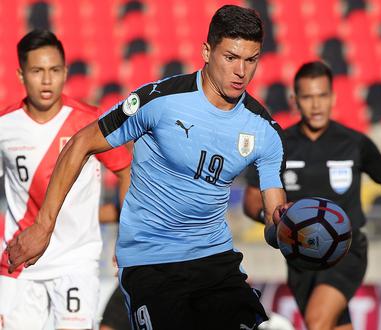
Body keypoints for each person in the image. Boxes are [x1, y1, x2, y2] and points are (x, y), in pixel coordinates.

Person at [6, 5, 288, 329]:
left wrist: (287, 229)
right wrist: (44, 226)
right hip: (150, 262)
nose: (241, 71)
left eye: (250, 60)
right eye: (231, 57)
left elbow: (273, 218)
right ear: (207, 52)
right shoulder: (160, 101)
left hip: (214, 261)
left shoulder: (265, 131)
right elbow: (81, 143)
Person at [243, 61, 381, 330]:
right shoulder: (280, 144)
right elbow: (251, 199)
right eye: (308, 97)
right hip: (299, 255)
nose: (316, 105)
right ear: (295, 100)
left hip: (345, 248)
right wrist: (276, 219)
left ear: (333, 97)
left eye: (322, 96)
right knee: (336, 325)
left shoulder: (354, 142)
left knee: (317, 321)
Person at [0, 30, 132, 330]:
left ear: (65, 72)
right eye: (37, 71)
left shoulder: (89, 122)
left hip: (76, 261)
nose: (47, 80)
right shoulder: (4, 126)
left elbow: (125, 171)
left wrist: (127, 238)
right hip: (18, 262)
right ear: (21, 75)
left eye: (54, 70)